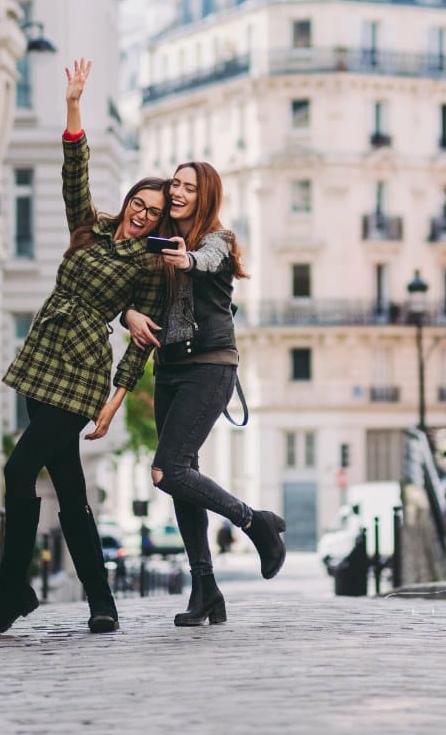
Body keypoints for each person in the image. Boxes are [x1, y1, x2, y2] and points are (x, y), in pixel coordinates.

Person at [0, 58, 169, 638]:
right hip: (42, 354)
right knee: (72, 492)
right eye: (139, 203)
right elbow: (73, 172)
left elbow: (142, 342)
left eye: (154, 213)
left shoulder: (150, 264)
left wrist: (113, 403)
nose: (142, 214)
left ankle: (12, 594)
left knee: (17, 470)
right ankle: (102, 602)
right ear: (129, 200)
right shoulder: (91, 227)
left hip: (82, 370)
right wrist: (73, 104)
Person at [121, 161, 286, 628]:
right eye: (175, 183)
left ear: (205, 196)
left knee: (167, 471)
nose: (177, 192)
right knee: (183, 477)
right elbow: (131, 291)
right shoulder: (157, 241)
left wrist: (186, 259)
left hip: (209, 367)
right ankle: (205, 589)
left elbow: (206, 259)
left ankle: (254, 521)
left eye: (189, 187)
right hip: (169, 369)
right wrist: (128, 313)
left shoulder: (219, 241)